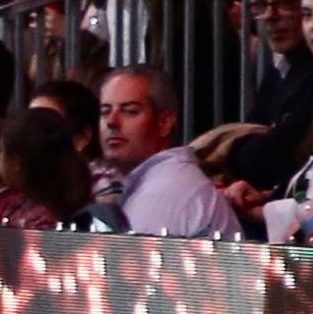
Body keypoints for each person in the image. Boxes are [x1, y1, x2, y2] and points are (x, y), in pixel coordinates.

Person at [90, 66, 241, 240]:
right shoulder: (153, 180)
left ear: (165, 122)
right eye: (105, 111)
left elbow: (128, 265)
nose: (111, 122)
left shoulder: (167, 190)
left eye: (130, 111)